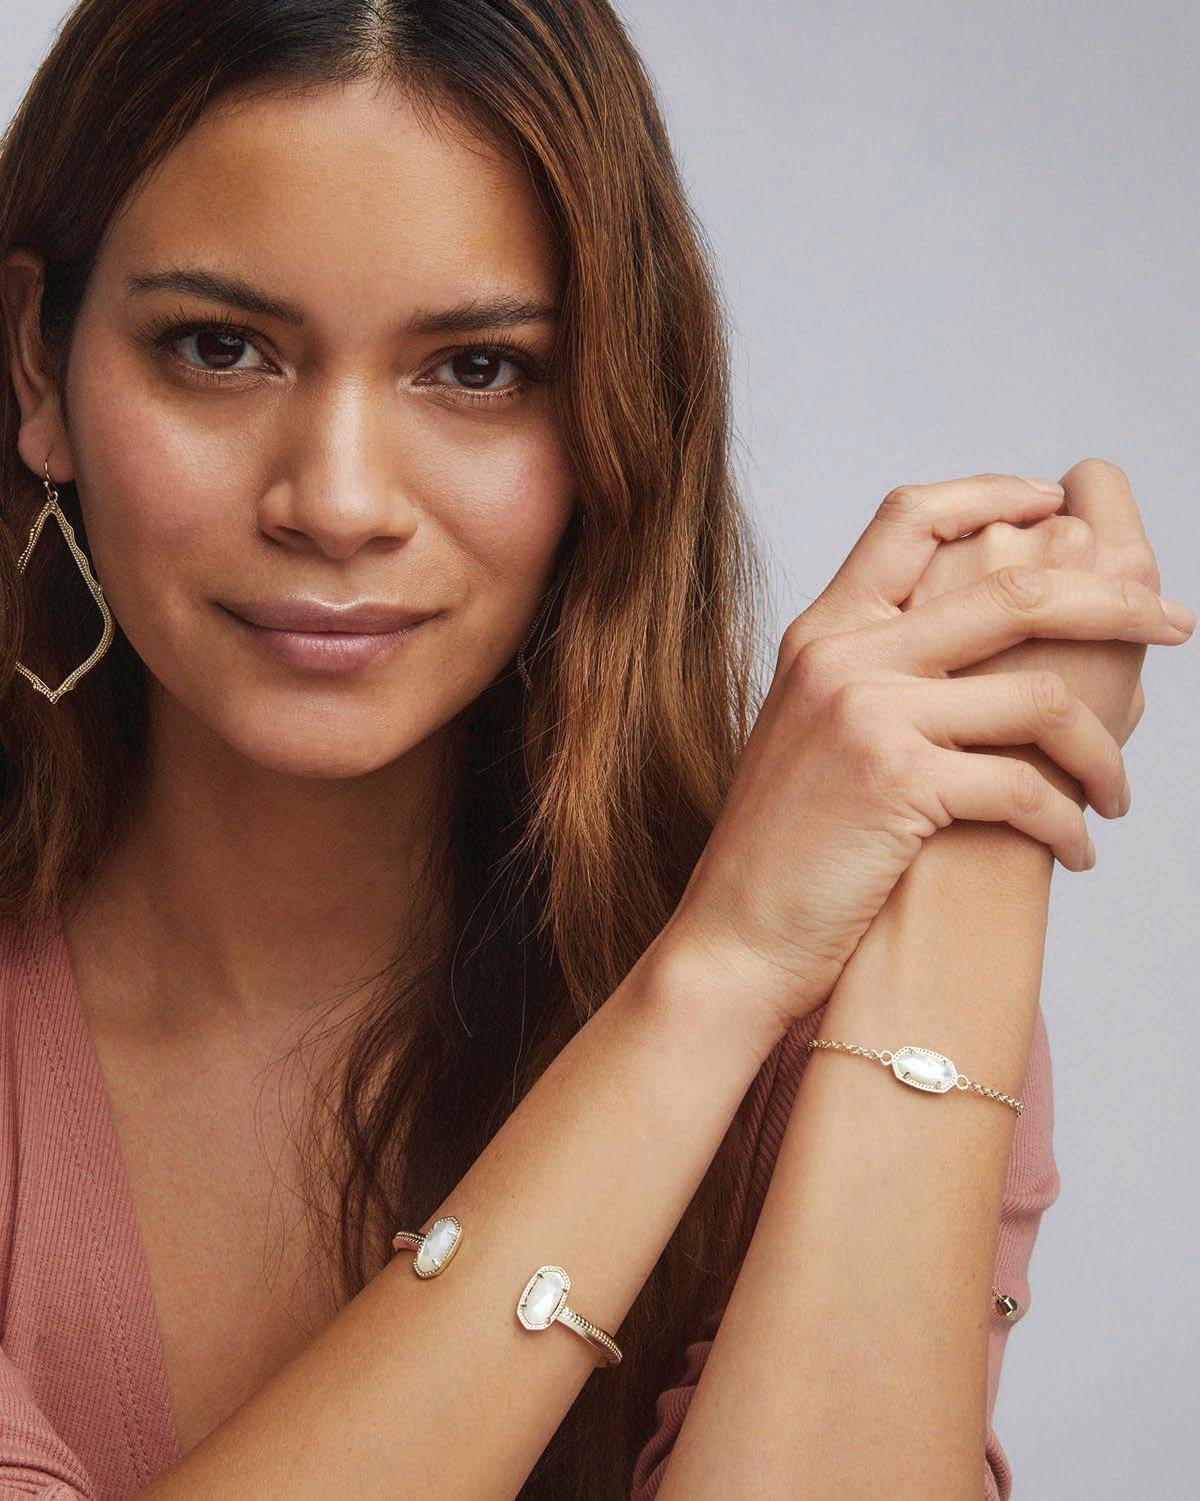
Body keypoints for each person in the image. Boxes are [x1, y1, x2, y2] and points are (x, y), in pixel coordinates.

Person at [0, 2, 1192, 1498]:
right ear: (38, 365)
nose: (339, 501)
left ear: (618, 407)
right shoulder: (764, 957)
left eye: (476, 369)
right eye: (220, 348)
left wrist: (977, 841)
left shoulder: (854, 1001)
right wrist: (717, 976)